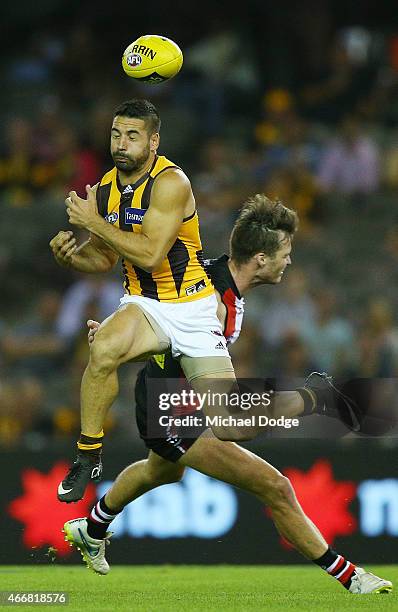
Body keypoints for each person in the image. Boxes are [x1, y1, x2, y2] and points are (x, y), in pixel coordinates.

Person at [63, 196, 392, 594]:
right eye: (285, 253)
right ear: (260, 258)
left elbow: (159, 305)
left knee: (162, 471)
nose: (289, 261)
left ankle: (92, 527)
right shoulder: (214, 300)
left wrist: (119, 333)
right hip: (170, 408)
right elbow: (164, 325)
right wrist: (119, 338)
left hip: (180, 399)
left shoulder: (214, 280)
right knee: (275, 485)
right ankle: (351, 577)